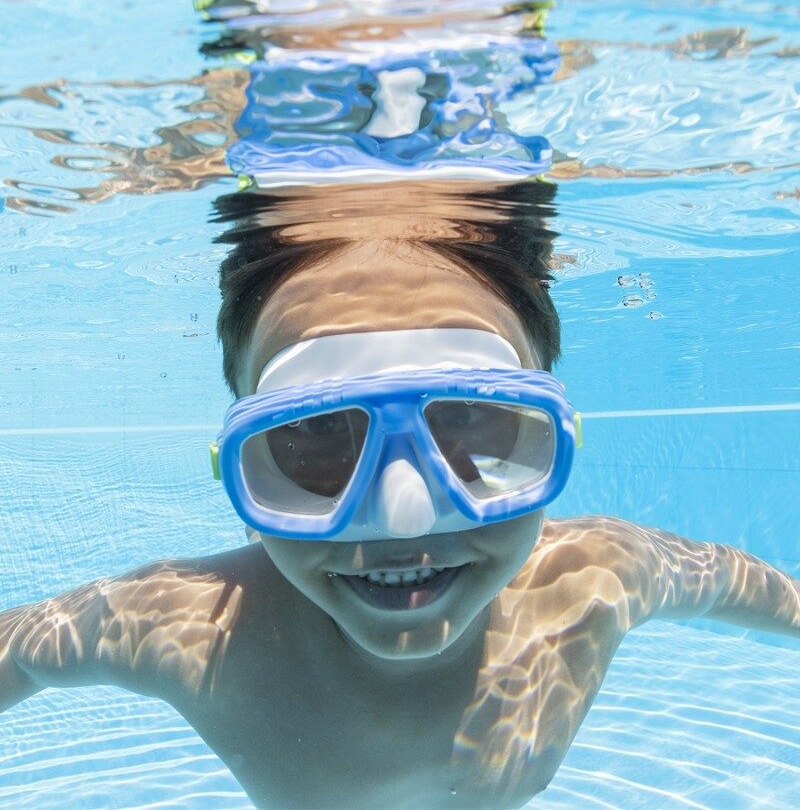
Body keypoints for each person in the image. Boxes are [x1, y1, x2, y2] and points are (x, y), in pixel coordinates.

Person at [2, 177, 799, 810]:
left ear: (559, 439)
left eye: (476, 428)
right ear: (236, 470)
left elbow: (755, 590)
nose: (403, 515)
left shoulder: (596, 578)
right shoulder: (193, 632)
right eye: (314, 437)